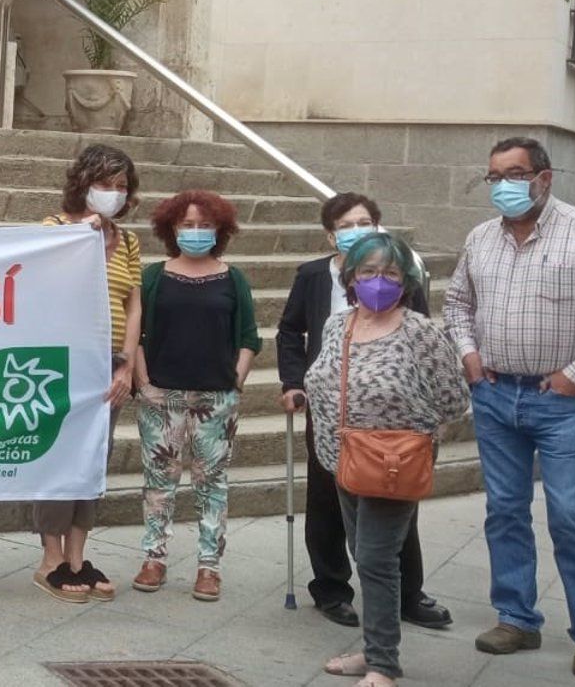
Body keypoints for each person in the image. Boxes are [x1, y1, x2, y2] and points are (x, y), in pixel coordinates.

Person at [445, 137, 575, 681]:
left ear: (545, 177)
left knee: (571, 515)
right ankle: (516, 617)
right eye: (494, 177)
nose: (504, 185)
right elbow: (458, 302)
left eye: (515, 173)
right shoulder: (480, 238)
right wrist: (469, 355)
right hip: (494, 394)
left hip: (559, 402)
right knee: (504, 510)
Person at [277, 193, 452, 631]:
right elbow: (289, 331)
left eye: (364, 222)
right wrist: (294, 383)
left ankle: (408, 593)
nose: (355, 229)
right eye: (345, 223)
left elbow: (430, 353)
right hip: (331, 411)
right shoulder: (313, 276)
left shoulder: (400, 275)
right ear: (331, 234)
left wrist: (423, 421)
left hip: (391, 421)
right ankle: (332, 590)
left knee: (394, 510)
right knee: (326, 501)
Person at [304, 232, 469, 687]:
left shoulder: (421, 332)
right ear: (351, 278)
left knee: (376, 559)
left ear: (407, 281)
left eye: (391, 273)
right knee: (363, 555)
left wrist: (410, 430)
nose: (379, 281)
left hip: (393, 463)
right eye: (369, 272)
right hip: (343, 460)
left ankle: (382, 665)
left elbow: (454, 400)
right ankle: (374, 649)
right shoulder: (338, 325)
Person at [130, 190, 260, 602]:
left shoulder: (233, 278)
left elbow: (248, 337)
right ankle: (154, 557)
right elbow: (136, 333)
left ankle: (209, 566)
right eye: (187, 224)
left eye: (205, 225)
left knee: (212, 483)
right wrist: (144, 381)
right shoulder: (153, 276)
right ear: (171, 228)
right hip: (161, 395)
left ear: (220, 230)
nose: (196, 232)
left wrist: (235, 382)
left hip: (215, 398)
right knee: (158, 482)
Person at [32, 145, 141, 603]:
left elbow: (133, 302)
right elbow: (43, 282)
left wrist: (129, 363)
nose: (112, 195)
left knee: (94, 459)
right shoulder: (54, 229)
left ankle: (79, 555)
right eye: (104, 185)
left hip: (109, 364)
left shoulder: (129, 241)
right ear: (82, 184)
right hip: (63, 364)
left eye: (121, 187)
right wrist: (82, 234)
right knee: (58, 457)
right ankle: (51, 558)